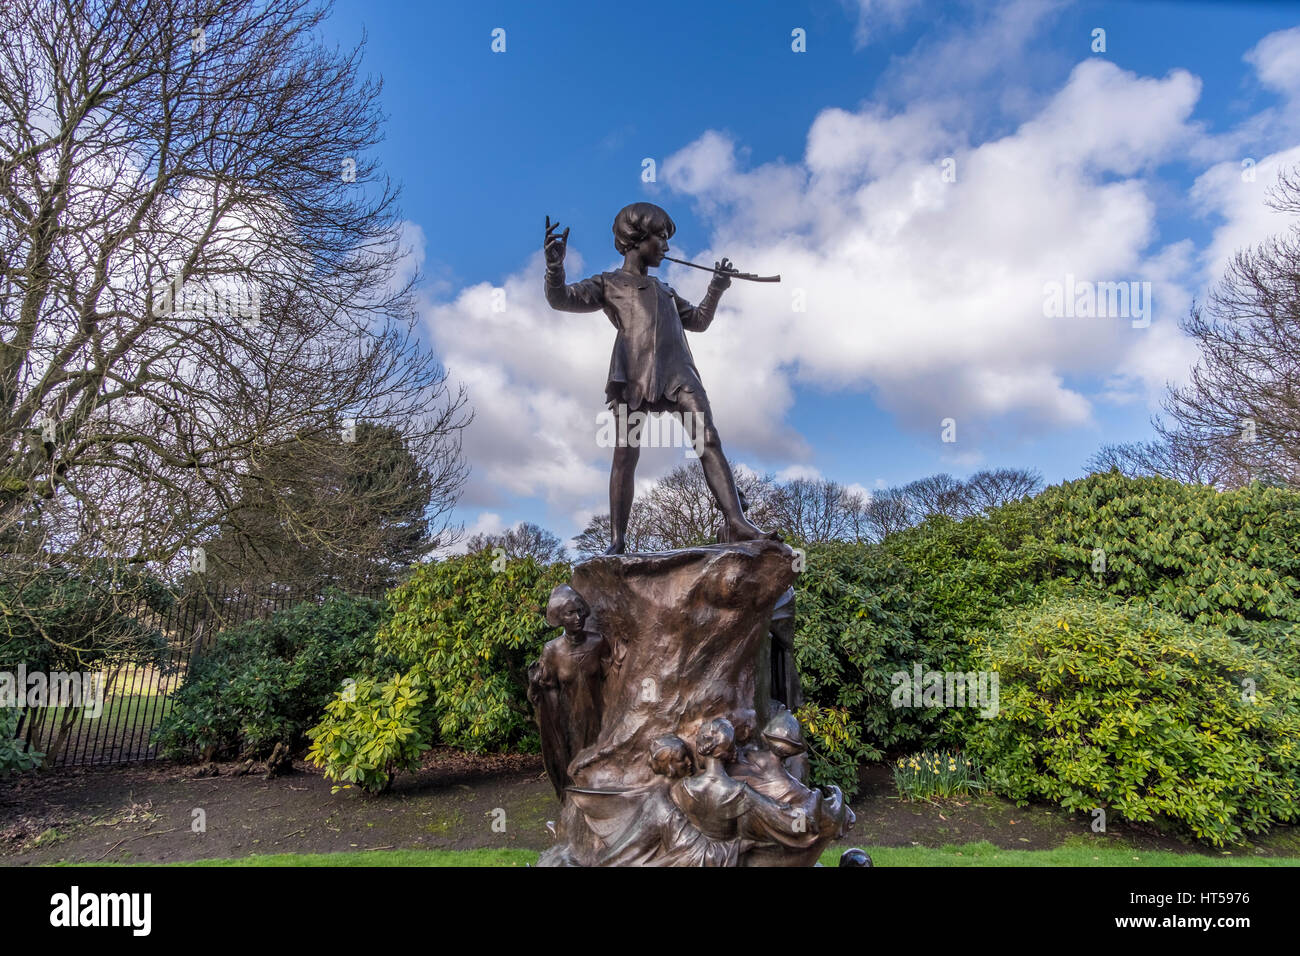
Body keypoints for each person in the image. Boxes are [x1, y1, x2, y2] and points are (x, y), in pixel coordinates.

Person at [543, 203, 777, 554]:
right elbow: (561, 299)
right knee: (625, 454)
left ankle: (737, 522)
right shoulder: (609, 284)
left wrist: (716, 288)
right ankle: (617, 541)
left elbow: (697, 321)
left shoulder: (665, 290)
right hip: (632, 374)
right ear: (637, 239)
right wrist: (554, 268)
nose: (666, 248)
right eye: (661, 238)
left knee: (707, 439)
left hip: (679, 371)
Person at [527, 585, 609, 798]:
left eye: (580, 611)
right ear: (559, 618)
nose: (578, 617)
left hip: (601, 718)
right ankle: (576, 807)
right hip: (568, 721)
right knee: (574, 768)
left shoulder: (598, 642)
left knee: (600, 767)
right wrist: (535, 685)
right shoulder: (552, 650)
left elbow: (613, 678)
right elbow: (545, 692)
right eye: (570, 613)